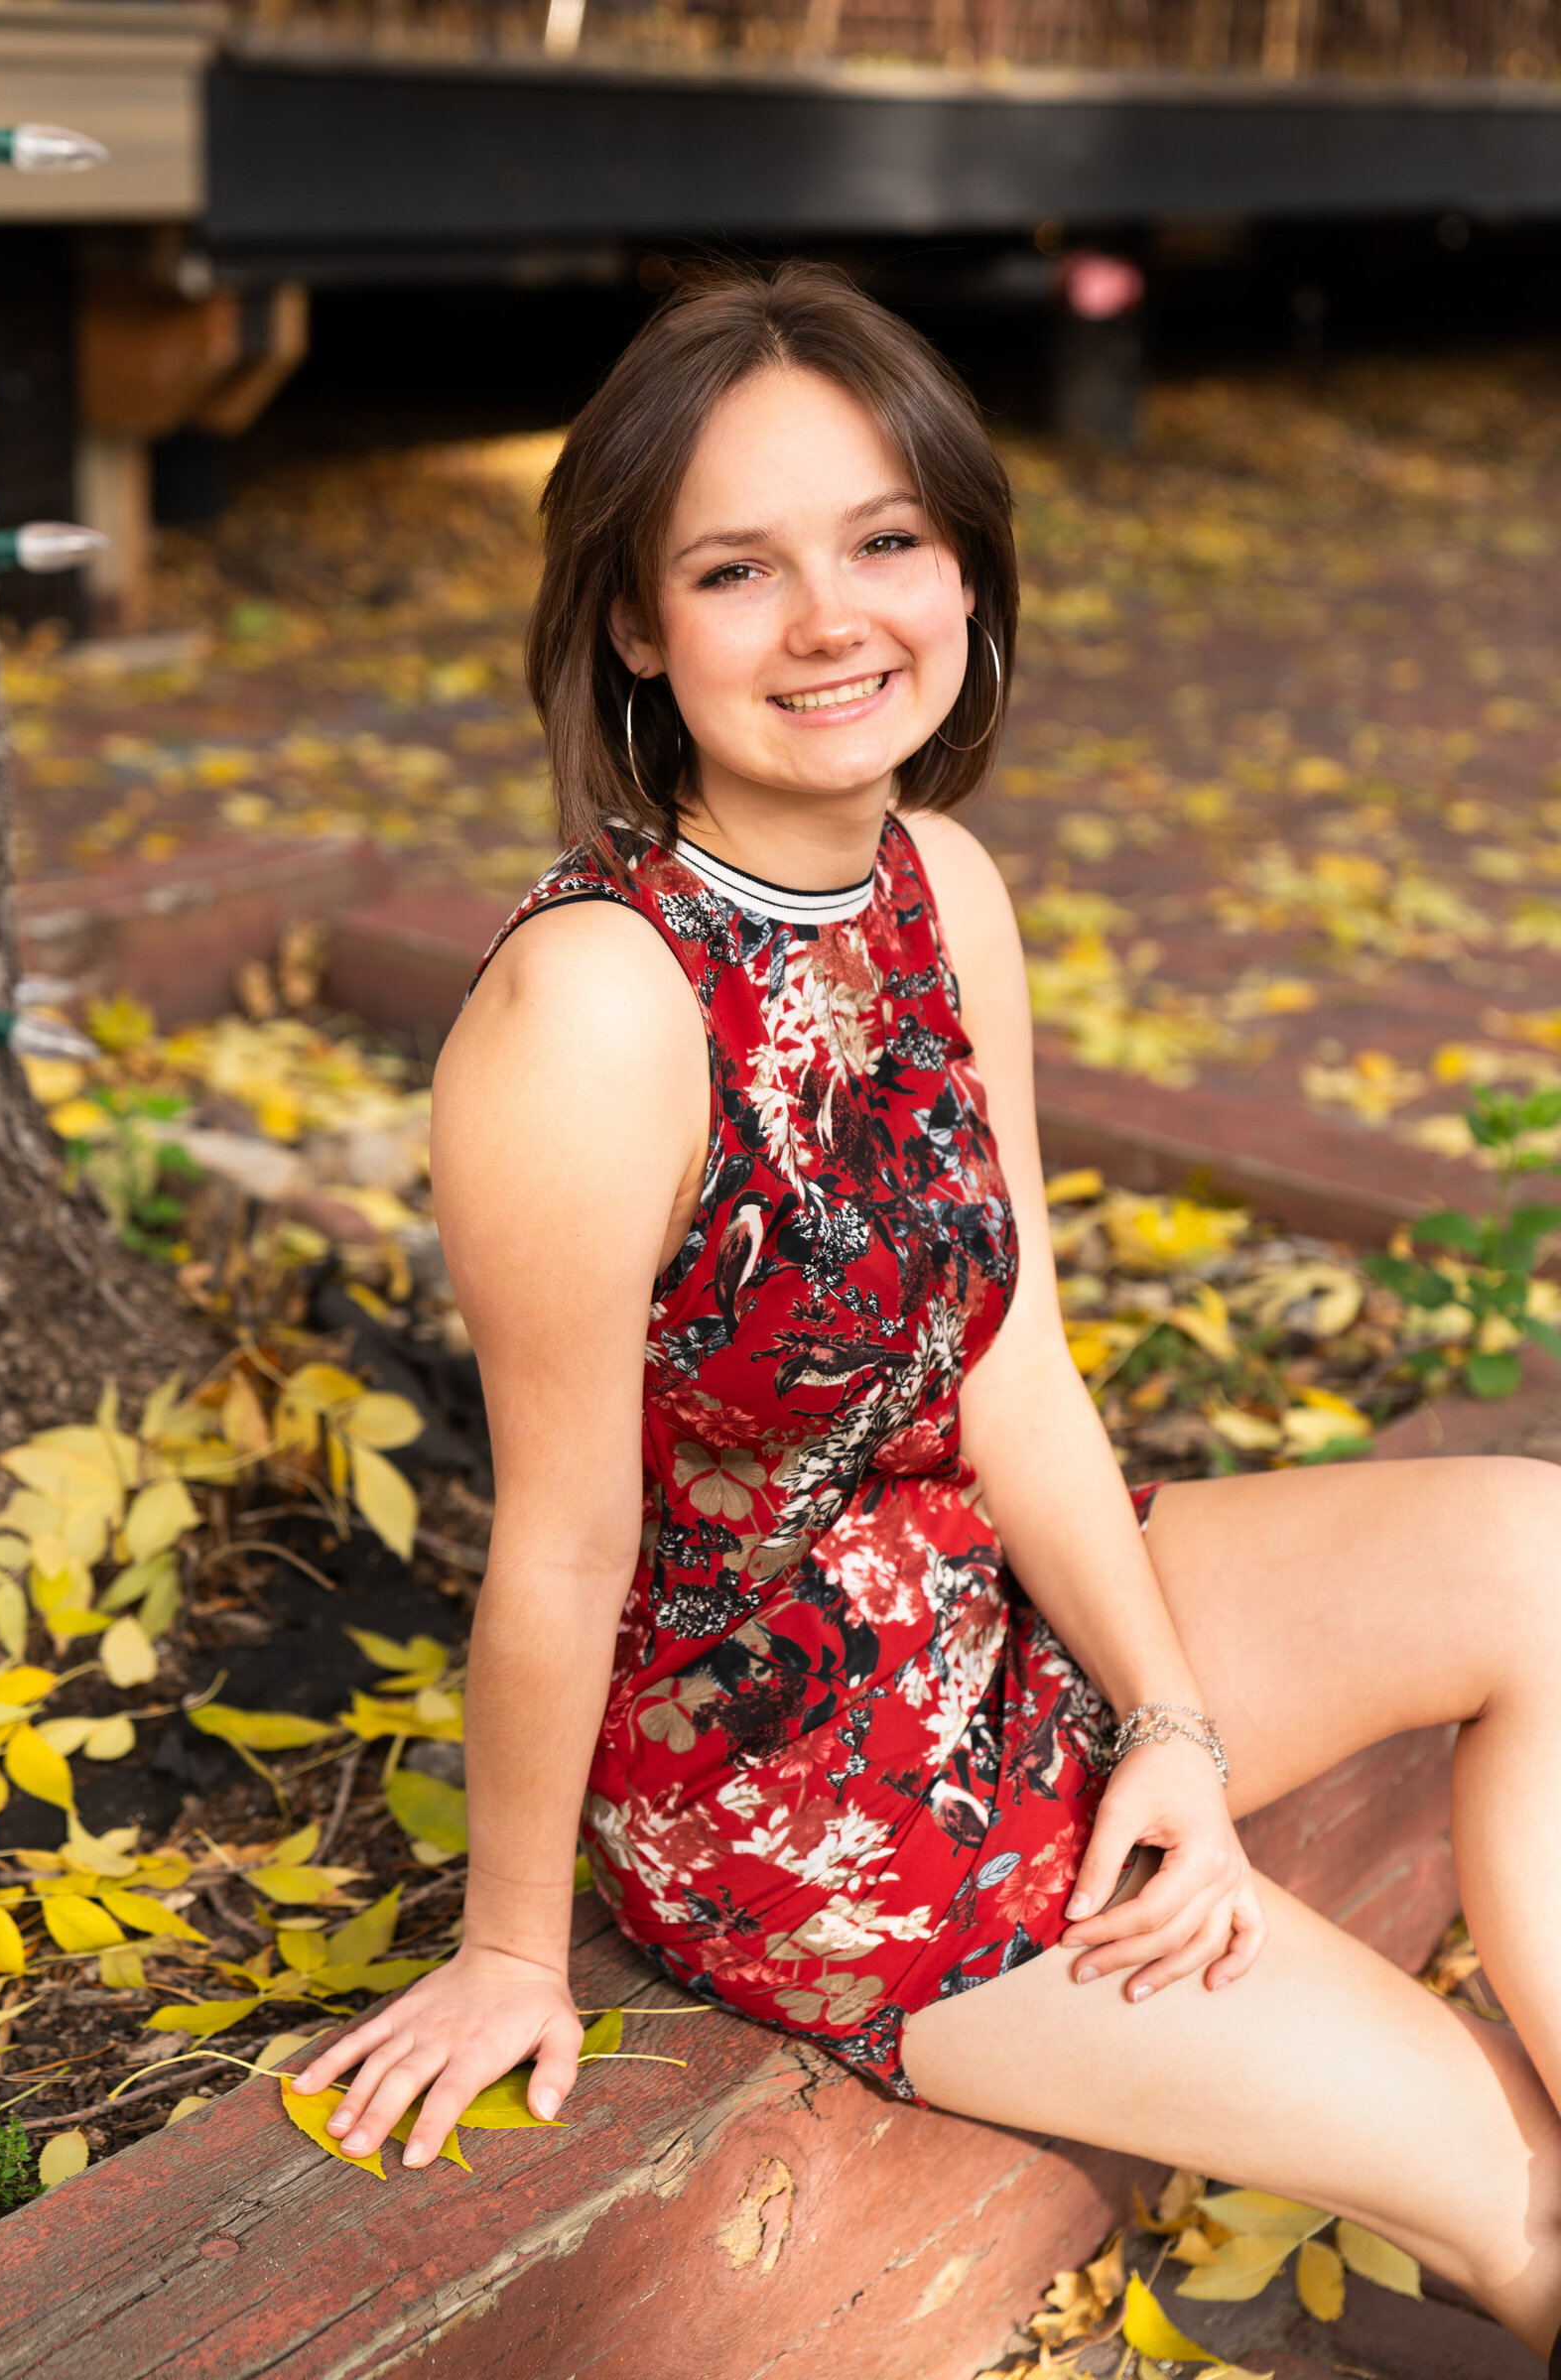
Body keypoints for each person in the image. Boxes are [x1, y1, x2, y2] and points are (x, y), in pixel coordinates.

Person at [297, 262, 1561, 2369]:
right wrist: (512, 1950)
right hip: (808, 1793)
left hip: (991, 1607)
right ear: (632, 623)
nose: (829, 619)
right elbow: (562, 1546)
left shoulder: (936, 881)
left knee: (1540, 1543)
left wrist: (1164, 1727)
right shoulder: (592, 1008)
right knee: (1495, 2176)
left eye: (884, 538)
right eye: (734, 567)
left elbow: (1016, 1369)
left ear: (962, 561)